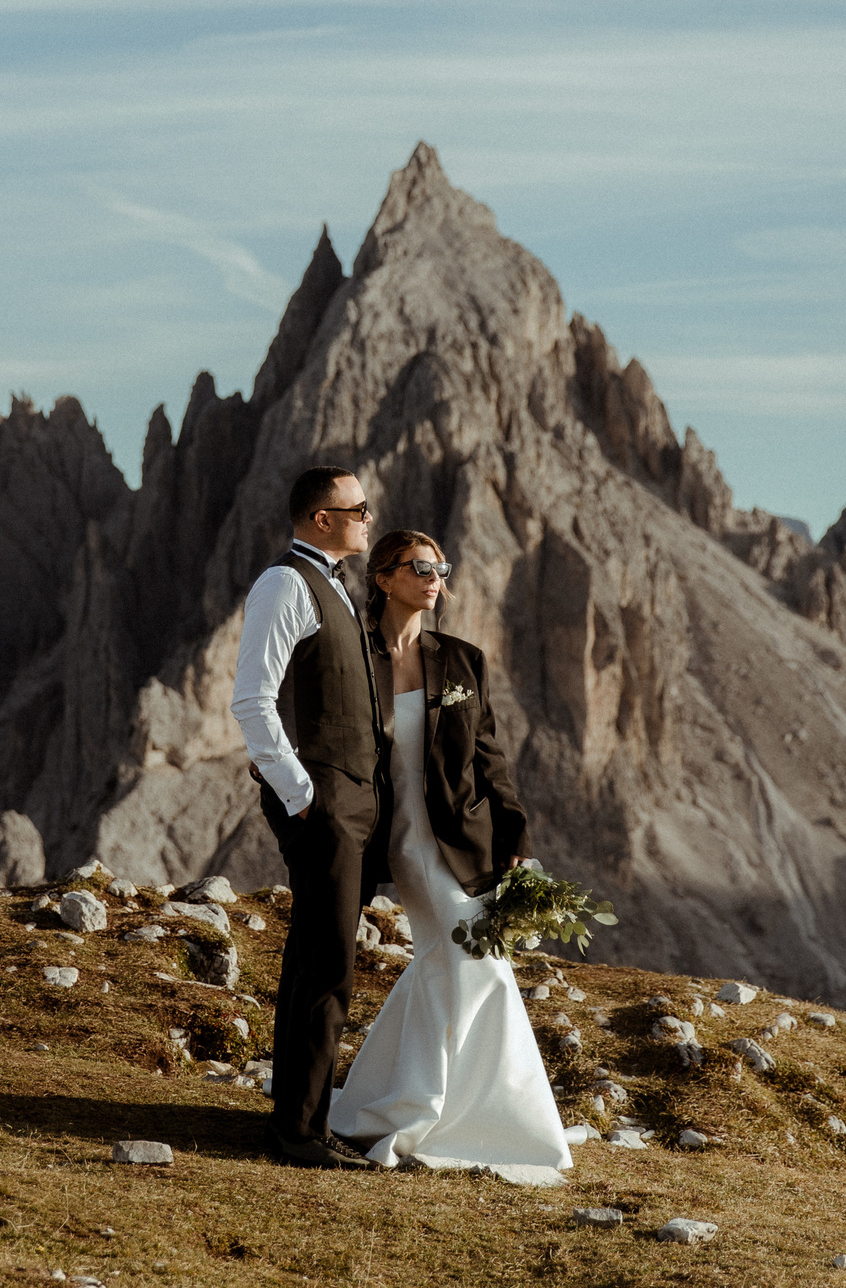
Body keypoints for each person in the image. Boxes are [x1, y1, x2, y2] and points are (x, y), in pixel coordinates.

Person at [326, 529, 568, 1172]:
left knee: (448, 959)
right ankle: (474, 1120)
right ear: (382, 578)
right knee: (474, 959)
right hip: (400, 841)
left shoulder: (463, 660)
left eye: (441, 567)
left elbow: (490, 760)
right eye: (421, 567)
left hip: (467, 840)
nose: (436, 578)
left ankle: (386, 1101)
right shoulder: (354, 656)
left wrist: (517, 842)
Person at [231, 465, 386, 1169]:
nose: (368, 515)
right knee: (326, 966)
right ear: (321, 518)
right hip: (322, 799)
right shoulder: (285, 584)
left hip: (349, 800)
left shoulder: (335, 586)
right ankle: (298, 1133)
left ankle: (301, 1120)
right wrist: (304, 796)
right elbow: (253, 700)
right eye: (357, 507)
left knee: (321, 960)